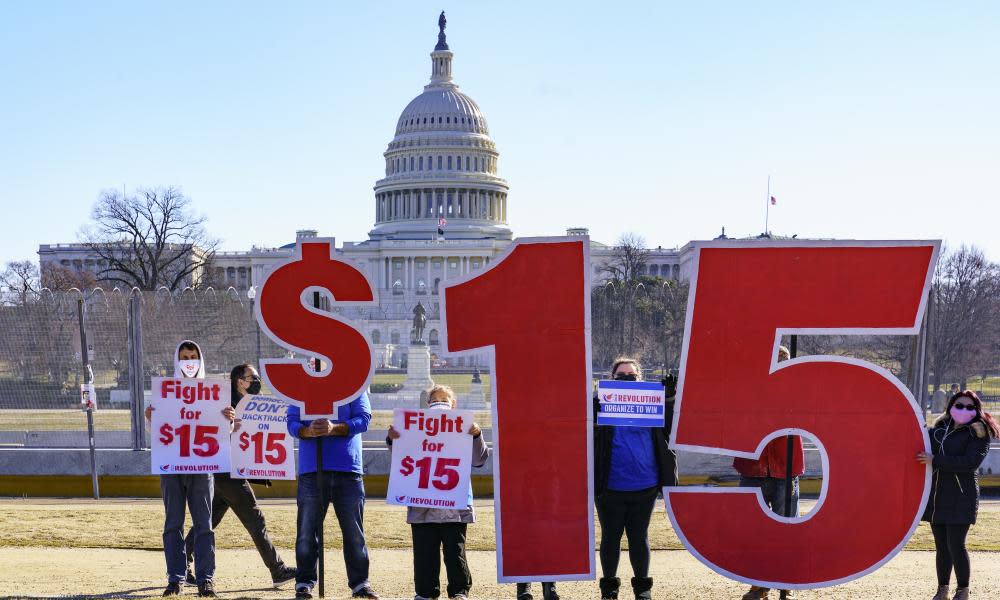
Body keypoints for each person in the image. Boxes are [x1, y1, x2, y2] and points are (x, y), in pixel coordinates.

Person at [182, 364, 296, 588]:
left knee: (207, 521)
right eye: (251, 377)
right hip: (227, 472)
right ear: (239, 381)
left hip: (229, 472)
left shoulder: (252, 405)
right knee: (256, 520)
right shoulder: (226, 405)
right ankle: (278, 570)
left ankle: (181, 562)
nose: (256, 381)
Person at [386, 384, 489, 600]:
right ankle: (425, 592)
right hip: (423, 504)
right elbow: (402, 457)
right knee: (424, 553)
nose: (439, 403)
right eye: (435, 400)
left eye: (444, 399)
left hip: (455, 503)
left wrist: (477, 434)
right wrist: (394, 438)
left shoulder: (466, 428)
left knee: (455, 552)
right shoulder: (415, 427)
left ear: (454, 404)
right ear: (428, 404)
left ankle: (459, 591)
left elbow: (479, 460)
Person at [145, 340, 230, 598]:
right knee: (173, 524)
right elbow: (156, 431)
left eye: (192, 356)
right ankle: (175, 579)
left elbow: (222, 434)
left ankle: (205, 579)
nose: (188, 361)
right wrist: (150, 418)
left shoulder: (213, 392)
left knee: (204, 524)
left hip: (202, 467)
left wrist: (230, 419)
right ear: (176, 360)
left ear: (200, 359)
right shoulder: (165, 391)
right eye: (184, 356)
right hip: (172, 465)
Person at [593, 358, 677, 600]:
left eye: (632, 375)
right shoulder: (600, 403)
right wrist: (596, 406)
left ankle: (643, 588)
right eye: (622, 376)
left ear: (640, 379)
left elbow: (671, 427)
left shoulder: (653, 403)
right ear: (612, 379)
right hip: (610, 486)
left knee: (639, 537)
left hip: (645, 484)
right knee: (610, 537)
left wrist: (669, 398)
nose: (628, 379)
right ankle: (609, 588)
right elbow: (586, 429)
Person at [287, 379, 379, 599]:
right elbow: (291, 421)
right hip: (312, 470)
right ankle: (304, 582)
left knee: (354, 532)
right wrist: (307, 431)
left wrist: (334, 428)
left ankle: (360, 583)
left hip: (348, 469)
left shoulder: (353, 385)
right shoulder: (302, 387)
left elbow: (364, 419)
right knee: (307, 531)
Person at [734, 345, 804, 600]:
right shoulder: (746, 389)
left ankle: (785, 580)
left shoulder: (798, 390)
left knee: (787, 529)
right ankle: (758, 583)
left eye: (784, 360)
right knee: (754, 531)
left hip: (785, 467)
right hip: (753, 466)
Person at [917, 390, 998, 600]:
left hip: (962, 497)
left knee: (956, 544)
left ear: (976, 410)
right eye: (959, 405)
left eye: (969, 407)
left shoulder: (979, 433)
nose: (964, 410)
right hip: (937, 496)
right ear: (951, 406)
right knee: (941, 546)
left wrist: (935, 460)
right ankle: (942, 589)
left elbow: (970, 464)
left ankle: (963, 590)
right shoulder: (938, 429)